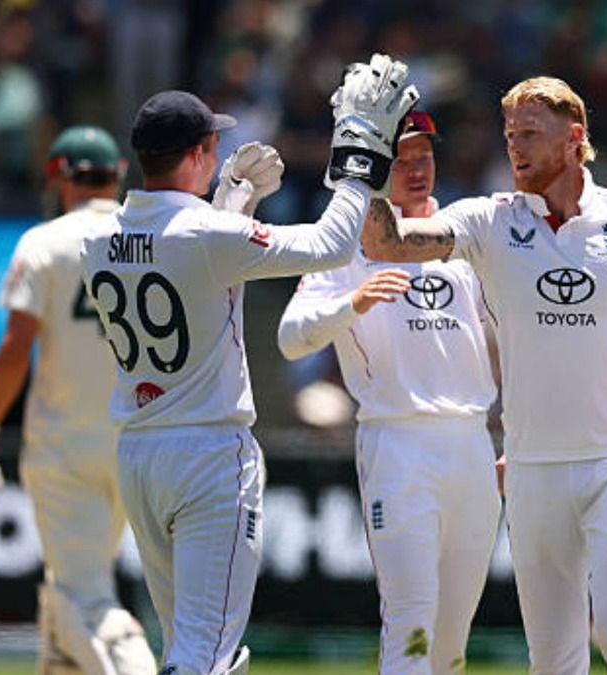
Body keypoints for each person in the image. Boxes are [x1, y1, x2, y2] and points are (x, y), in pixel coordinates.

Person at [79, 55, 418, 675]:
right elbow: (329, 245)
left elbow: (191, 274)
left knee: (187, 648)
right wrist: (359, 152)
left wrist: (233, 206)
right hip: (209, 456)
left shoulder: (98, 238)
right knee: (205, 656)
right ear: (203, 150)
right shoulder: (205, 234)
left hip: (140, 452)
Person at [361, 76, 607, 674]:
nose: (515, 147)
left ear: (575, 137)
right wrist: (370, 155)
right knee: (552, 659)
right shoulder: (488, 220)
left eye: (530, 133)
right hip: (532, 470)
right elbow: (388, 241)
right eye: (509, 135)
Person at [277, 110, 500, 674]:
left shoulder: (465, 235)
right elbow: (289, 338)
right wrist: (352, 303)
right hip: (397, 443)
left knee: (451, 644)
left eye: (424, 156)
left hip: (472, 445)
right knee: (411, 624)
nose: (416, 169)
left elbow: (507, 345)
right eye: (400, 159)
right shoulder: (349, 245)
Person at [0, 126, 158, 674]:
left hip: (65, 447)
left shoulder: (44, 242)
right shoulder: (152, 236)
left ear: (58, 178)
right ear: (116, 176)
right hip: (139, 440)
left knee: (84, 600)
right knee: (71, 592)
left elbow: (16, 346)